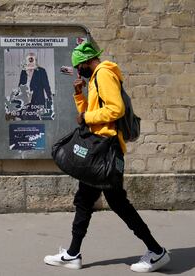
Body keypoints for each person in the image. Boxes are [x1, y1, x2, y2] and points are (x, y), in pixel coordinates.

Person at [44, 42, 170, 273]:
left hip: (104, 151)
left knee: (115, 203)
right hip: (99, 149)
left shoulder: (104, 74)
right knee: (87, 201)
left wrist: (87, 117)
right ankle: (73, 254)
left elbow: (115, 109)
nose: (78, 70)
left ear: (87, 61)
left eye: (79, 66)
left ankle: (156, 251)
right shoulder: (96, 78)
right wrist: (78, 95)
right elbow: (88, 113)